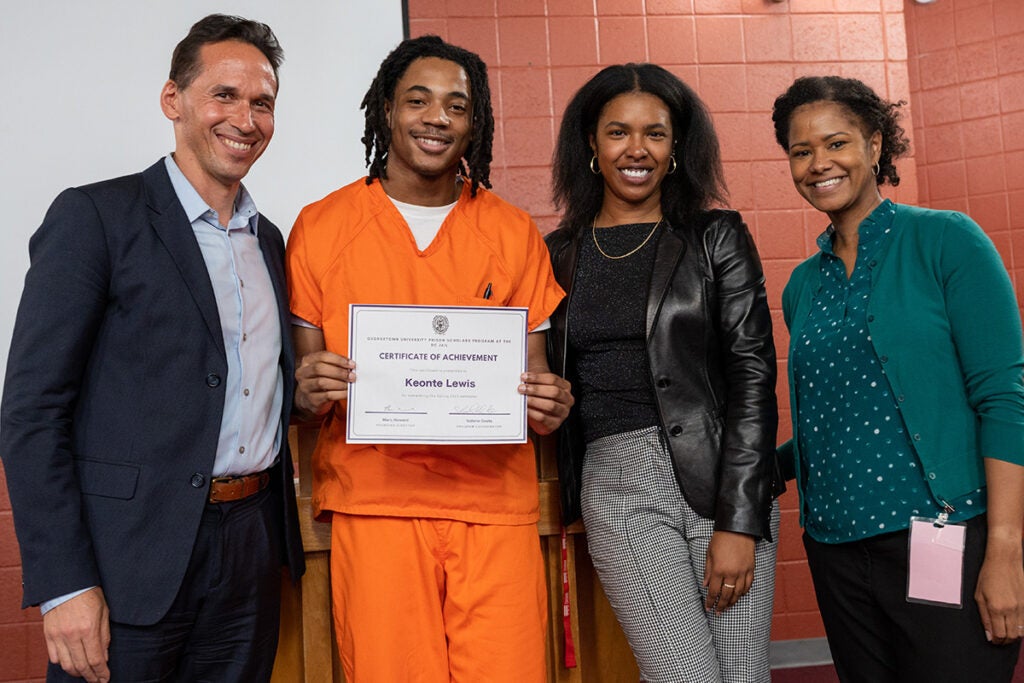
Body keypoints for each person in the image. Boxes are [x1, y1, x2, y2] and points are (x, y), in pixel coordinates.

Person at [0, 14, 304, 683]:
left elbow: (246, 386)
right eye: (224, 95)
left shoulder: (271, 241)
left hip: (250, 550)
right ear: (174, 101)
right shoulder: (95, 217)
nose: (245, 119)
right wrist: (63, 582)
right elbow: (31, 408)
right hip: (124, 558)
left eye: (262, 103)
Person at [285, 35, 573, 683]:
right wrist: (311, 387)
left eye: (457, 105)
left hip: (494, 506)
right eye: (418, 100)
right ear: (387, 109)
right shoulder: (321, 227)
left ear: (477, 122)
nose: (437, 117)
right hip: (377, 506)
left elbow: (534, 388)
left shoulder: (511, 230)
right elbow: (305, 401)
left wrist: (550, 402)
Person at [772, 75, 1024, 682]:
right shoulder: (802, 286)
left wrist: (1006, 552)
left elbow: (1005, 399)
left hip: (941, 539)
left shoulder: (946, 240)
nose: (818, 164)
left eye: (836, 143)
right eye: (800, 151)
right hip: (835, 552)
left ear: (876, 144)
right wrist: (742, 469)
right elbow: (838, 414)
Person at [546, 63, 783, 683]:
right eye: (617, 132)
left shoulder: (715, 237)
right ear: (591, 146)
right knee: (685, 676)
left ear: (677, 147)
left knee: (741, 675)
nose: (636, 150)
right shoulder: (555, 255)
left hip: (723, 477)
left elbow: (753, 378)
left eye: (656, 133)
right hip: (618, 489)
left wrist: (739, 520)